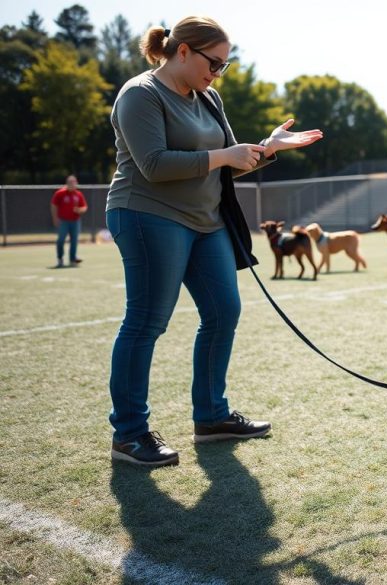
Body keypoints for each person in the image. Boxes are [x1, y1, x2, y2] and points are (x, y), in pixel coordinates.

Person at [106, 16, 322, 466]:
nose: (217, 73)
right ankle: (129, 434)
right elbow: (154, 164)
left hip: (206, 222)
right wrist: (226, 154)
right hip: (147, 215)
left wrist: (268, 147)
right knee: (146, 321)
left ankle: (211, 417)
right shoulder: (139, 94)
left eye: (224, 65)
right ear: (182, 50)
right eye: (214, 62)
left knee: (224, 312)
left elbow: (229, 162)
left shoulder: (208, 97)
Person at [50, 175, 88, 267]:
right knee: (61, 240)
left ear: (76, 183)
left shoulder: (78, 194)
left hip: (75, 221)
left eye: (74, 182)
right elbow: (53, 206)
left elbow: (84, 207)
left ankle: (72, 260)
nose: (72, 184)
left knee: (74, 241)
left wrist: (80, 210)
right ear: (67, 183)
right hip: (63, 221)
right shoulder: (60, 193)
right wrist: (55, 218)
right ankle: (60, 259)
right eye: (70, 182)